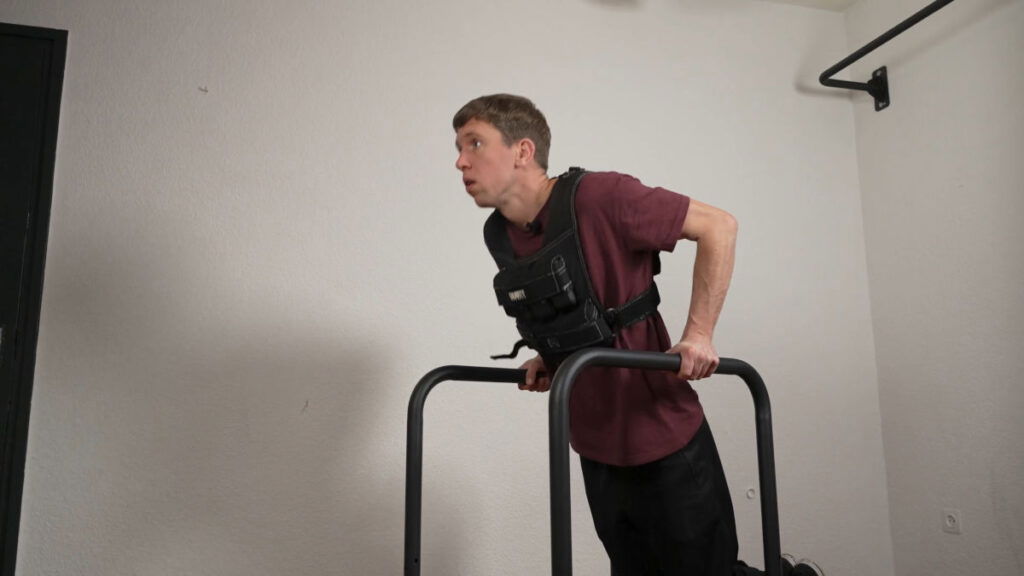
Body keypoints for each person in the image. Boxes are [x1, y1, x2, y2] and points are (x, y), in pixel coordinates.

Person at [453, 94, 822, 576]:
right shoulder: (498, 234)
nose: (460, 161)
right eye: (458, 147)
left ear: (523, 151)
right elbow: (566, 302)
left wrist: (699, 334)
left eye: (474, 144)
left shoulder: (600, 196)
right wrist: (549, 355)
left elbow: (719, 227)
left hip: (662, 433)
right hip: (594, 441)